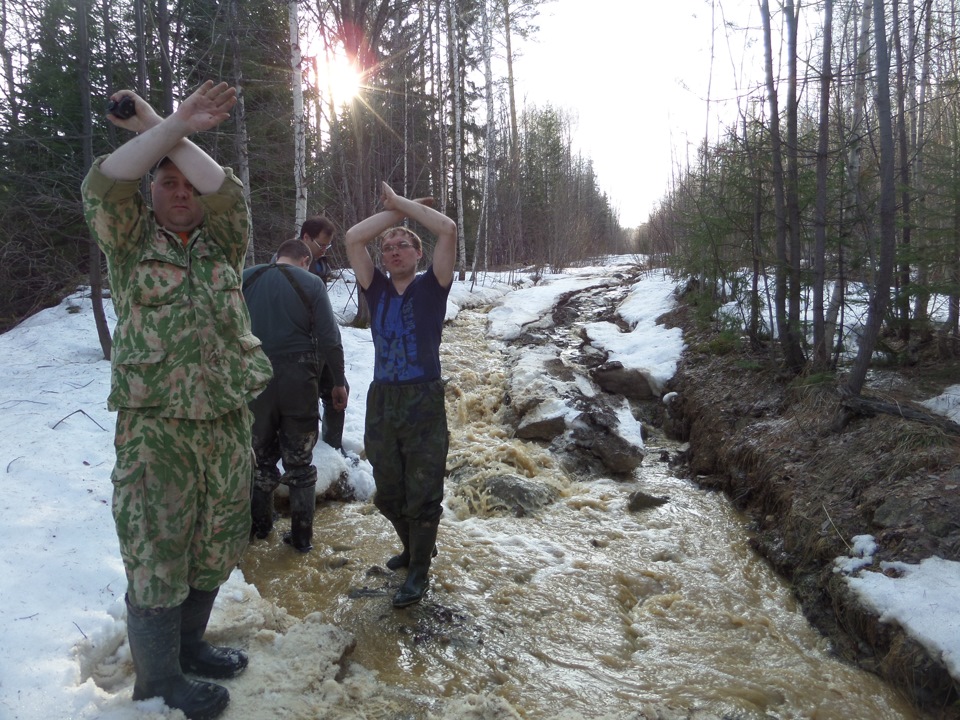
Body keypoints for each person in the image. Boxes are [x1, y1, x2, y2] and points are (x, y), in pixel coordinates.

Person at [81, 82, 273, 720]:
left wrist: (171, 126)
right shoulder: (131, 243)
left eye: (186, 184)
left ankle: (189, 649)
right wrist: (164, 128)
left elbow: (226, 191)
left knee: (215, 545)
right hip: (156, 431)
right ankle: (158, 682)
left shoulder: (224, 244)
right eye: (167, 184)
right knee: (156, 555)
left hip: (224, 424)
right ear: (152, 196)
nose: (182, 191)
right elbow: (106, 184)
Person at [344, 181, 457, 608]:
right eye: (388, 247)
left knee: (423, 489)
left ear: (418, 255)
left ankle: (420, 569)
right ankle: (413, 548)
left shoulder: (434, 286)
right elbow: (354, 238)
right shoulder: (375, 287)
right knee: (388, 489)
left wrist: (406, 207)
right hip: (383, 399)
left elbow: (446, 229)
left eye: (403, 245)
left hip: (424, 398)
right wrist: (395, 212)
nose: (392, 251)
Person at [242, 239, 348, 552]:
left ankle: (260, 531)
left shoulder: (246, 278)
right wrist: (338, 382)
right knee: (300, 465)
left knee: (260, 461)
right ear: (304, 259)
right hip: (299, 380)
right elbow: (330, 338)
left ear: (277, 254)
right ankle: (302, 539)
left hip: (254, 377)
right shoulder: (311, 282)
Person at [300, 216, 349, 451]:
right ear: (305, 238)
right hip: (300, 347)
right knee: (303, 403)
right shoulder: (287, 262)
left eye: (328, 246)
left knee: (339, 392)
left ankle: (332, 447)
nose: (324, 250)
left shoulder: (319, 261)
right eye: (321, 244)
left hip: (323, 340)